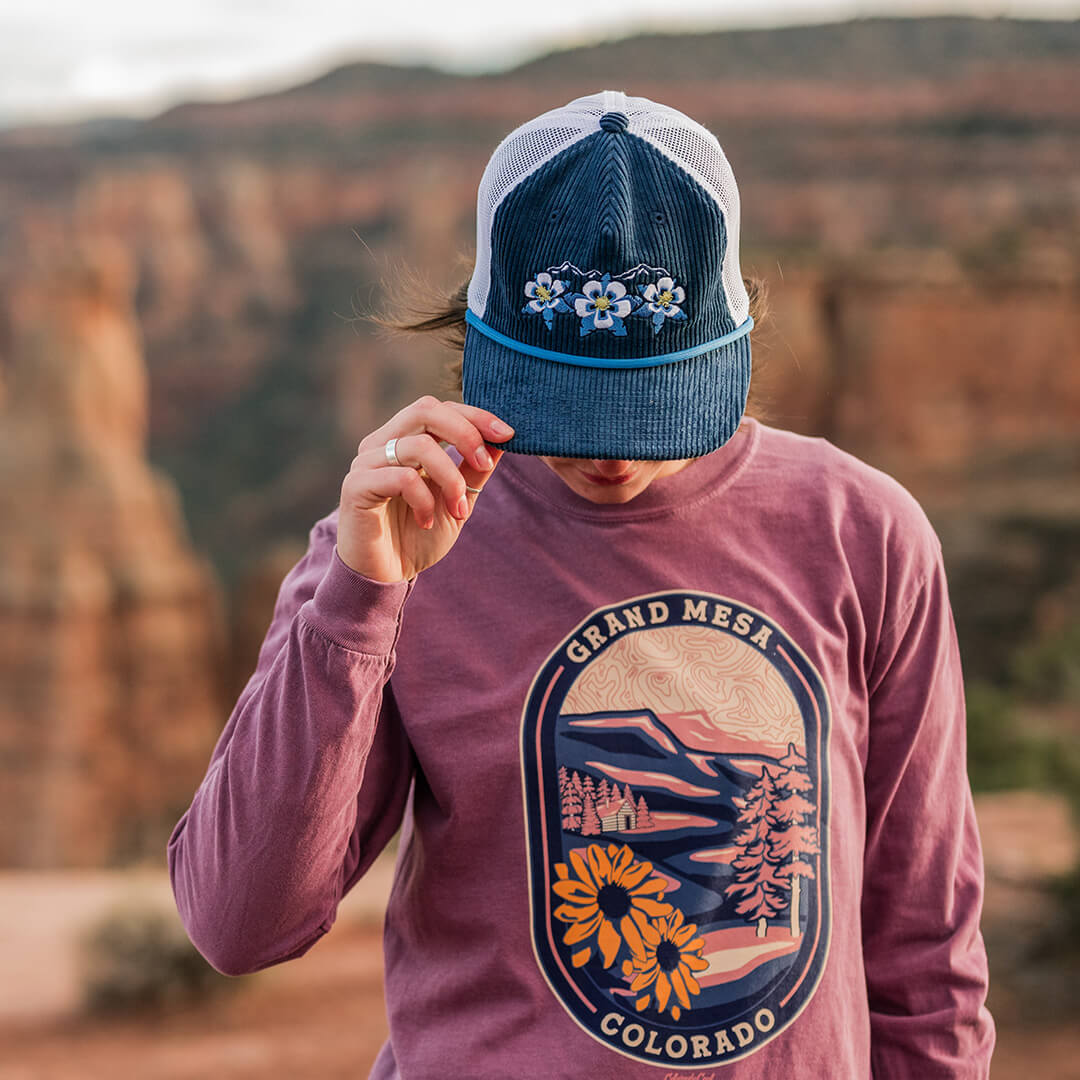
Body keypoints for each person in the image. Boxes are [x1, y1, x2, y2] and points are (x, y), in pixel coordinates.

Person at [168, 90, 996, 1077]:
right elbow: (237, 922)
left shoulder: (863, 532)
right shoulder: (399, 543)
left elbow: (923, 950)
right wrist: (358, 598)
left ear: (728, 342)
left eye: (650, 406)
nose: (608, 455)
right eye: (571, 404)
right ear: (479, 344)